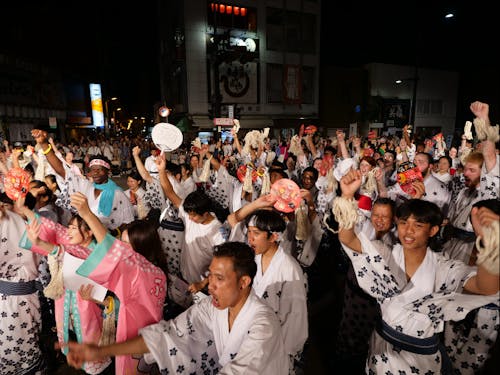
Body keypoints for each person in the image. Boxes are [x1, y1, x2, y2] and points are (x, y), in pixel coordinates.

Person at [335, 169, 499, 374]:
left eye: (418, 225)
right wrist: (348, 196)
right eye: (403, 223)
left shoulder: (443, 267)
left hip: (419, 361)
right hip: (381, 350)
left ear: (433, 230)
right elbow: (348, 239)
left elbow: (486, 287)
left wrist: (491, 243)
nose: (408, 231)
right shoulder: (385, 254)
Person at [58, 242, 289, 374]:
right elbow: (167, 335)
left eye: (220, 278)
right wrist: (101, 351)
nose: (211, 285)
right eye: (210, 277)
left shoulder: (263, 324)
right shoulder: (211, 307)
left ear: (244, 281)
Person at [70, 192, 168, 374]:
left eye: (125, 245)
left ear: (141, 248)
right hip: (151, 338)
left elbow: (112, 251)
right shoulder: (156, 272)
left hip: (133, 339)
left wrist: (88, 215)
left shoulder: (139, 273)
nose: (120, 249)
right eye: (120, 243)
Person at [17, 200, 112, 374]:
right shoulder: (70, 241)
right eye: (68, 227)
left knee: (90, 340)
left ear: (89, 232)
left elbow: (58, 251)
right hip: (66, 299)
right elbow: (50, 227)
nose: (68, 231)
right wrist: (25, 211)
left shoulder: (97, 253)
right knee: (70, 336)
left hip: (89, 305)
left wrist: (39, 241)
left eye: (73, 228)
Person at [31, 128, 134, 233]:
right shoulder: (86, 187)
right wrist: (44, 144)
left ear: (108, 171)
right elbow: (62, 171)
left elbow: (128, 221)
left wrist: (112, 233)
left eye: (100, 170)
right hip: (86, 238)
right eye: (93, 170)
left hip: (107, 240)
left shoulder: (118, 193)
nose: (95, 172)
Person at [0, 197, 45, 375]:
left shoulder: (24, 224)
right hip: (17, 300)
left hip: (19, 303)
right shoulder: (28, 223)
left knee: (21, 343)